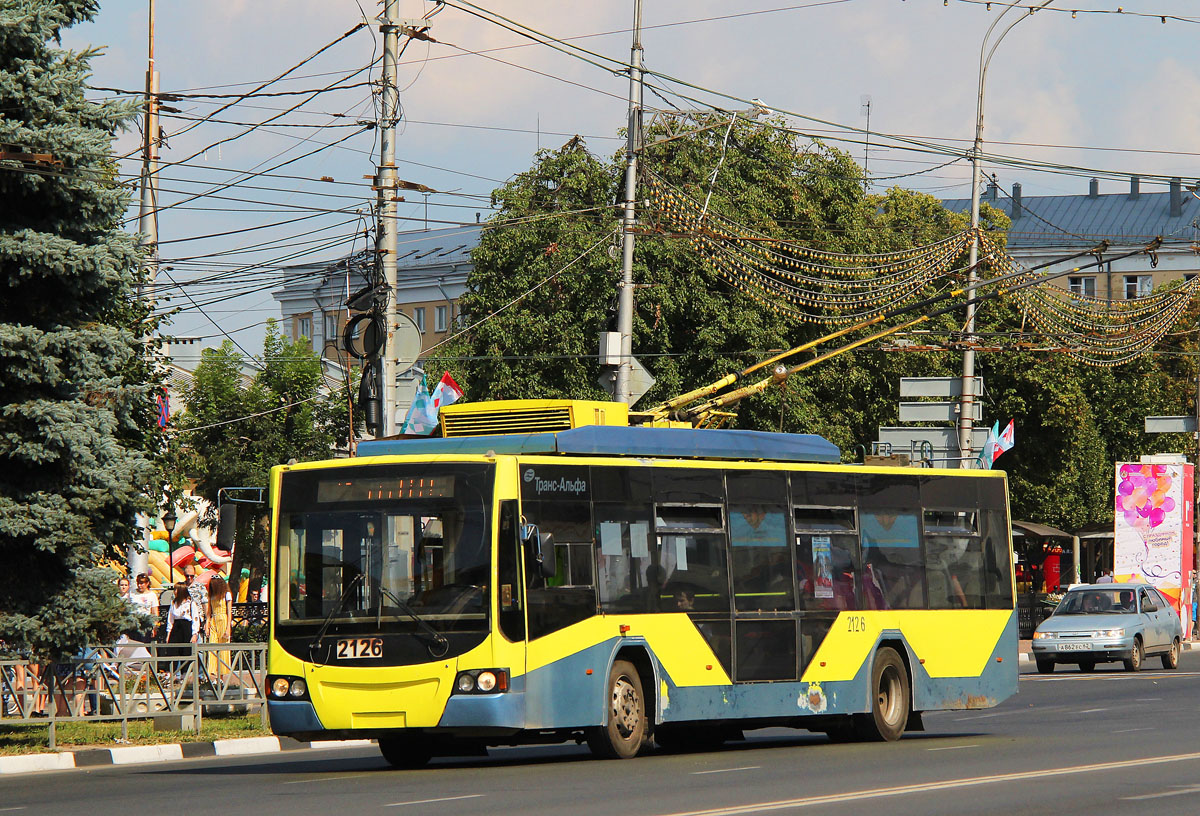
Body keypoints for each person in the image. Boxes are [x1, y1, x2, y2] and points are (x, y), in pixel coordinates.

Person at [164, 580, 201, 677]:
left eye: (176, 589)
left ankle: (185, 675)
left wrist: (194, 634)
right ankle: (172, 675)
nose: (174, 591)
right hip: (176, 628)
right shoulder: (173, 603)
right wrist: (168, 633)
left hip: (186, 627)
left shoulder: (190, 603)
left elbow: (195, 619)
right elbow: (170, 619)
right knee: (173, 651)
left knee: (186, 652)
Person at [205, 575, 233, 679]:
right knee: (212, 645)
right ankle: (212, 672)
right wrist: (207, 624)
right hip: (214, 620)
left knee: (223, 647)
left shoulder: (227, 594)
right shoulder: (211, 596)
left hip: (223, 619)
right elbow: (209, 612)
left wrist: (228, 628)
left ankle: (221, 675)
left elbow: (229, 612)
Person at [128, 573, 160, 642]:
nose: (139, 585)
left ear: (147, 583)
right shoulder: (132, 593)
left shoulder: (152, 595)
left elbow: (155, 613)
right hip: (134, 623)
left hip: (146, 624)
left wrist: (154, 626)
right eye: (138, 583)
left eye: (142, 583)